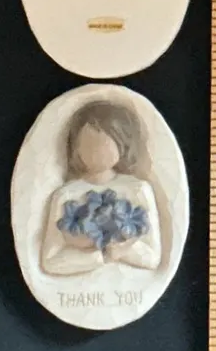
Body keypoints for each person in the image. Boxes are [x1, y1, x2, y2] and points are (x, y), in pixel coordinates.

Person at [41, 100, 162, 276]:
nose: (96, 152)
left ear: (122, 145)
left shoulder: (138, 189)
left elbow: (153, 258)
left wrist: (123, 250)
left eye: (104, 144)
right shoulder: (66, 194)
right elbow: (50, 262)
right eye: (88, 144)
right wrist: (97, 256)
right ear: (76, 148)